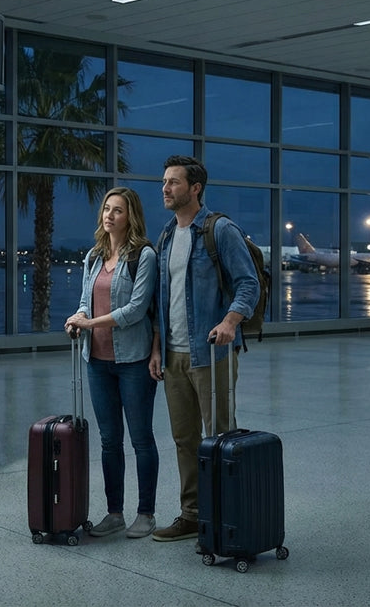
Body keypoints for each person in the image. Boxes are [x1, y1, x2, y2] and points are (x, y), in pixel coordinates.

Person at [146, 155, 259, 542]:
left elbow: (249, 284)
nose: (165, 188)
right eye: (164, 182)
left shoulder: (219, 230)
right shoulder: (165, 237)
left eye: (173, 182)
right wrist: (157, 349)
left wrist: (229, 322)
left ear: (195, 188)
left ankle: (226, 516)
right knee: (184, 439)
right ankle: (193, 514)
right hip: (174, 355)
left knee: (221, 435)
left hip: (211, 353)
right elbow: (162, 300)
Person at [64, 187, 160, 539]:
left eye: (117, 210)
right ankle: (115, 513)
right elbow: (85, 301)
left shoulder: (144, 256)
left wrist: (90, 323)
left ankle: (146, 514)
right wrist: (78, 317)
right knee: (109, 441)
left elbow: (136, 310)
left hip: (132, 361)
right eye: (106, 209)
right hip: (97, 361)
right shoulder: (93, 256)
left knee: (141, 440)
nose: (109, 215)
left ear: (130, 216)